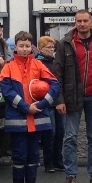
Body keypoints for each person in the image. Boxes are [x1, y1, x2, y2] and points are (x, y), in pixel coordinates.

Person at [52, 9, 92, 183]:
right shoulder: (65, 43)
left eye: (85, 21)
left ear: (91, 22)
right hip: (72, 96)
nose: (82, 24)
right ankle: (70, 176)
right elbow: (57, 73)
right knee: (70, 137)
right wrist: (59, 99)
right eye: (79, 21)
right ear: (75, 23)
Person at [0, 31, 60, 183]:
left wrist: (41, 105)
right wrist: (27, 107)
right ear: (15, 48)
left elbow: (55, 85)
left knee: (33, 155)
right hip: (18, 120)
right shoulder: (8, 67)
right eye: (21, 46)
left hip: (38, 120)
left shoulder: (39, 65)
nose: (24, 49)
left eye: (27, 46)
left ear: (31, 47)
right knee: (19, 155)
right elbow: (7, 91)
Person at [37, 35, 64, 173]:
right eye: (49, 47)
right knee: (50, 133)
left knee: (61, 132)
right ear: (41, 48)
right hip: (47, 102)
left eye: (53, 47)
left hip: (58, 100)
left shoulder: (54, 62)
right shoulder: (38, 62)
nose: (51, 50)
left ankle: (58, 161)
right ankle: (49, 163)